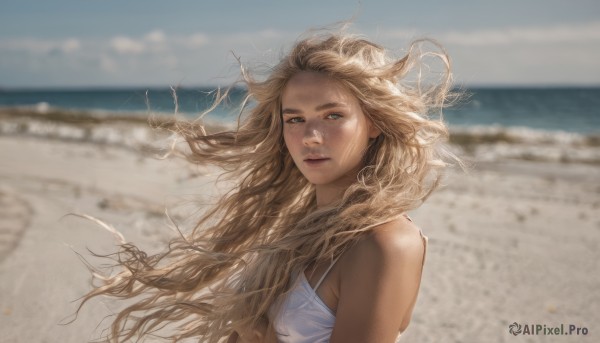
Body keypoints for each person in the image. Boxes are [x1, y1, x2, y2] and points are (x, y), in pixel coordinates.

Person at [78, 28, 458, 343]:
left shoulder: (385, 242)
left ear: (374, 122)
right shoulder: (303, 228)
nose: (310, 135)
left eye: (332, 115)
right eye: (294, 119)